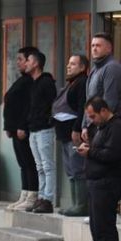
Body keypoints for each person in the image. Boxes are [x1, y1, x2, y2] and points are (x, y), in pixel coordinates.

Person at [77, 97, 121, 241]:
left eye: (93, 116)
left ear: (104, 111)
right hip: (95, 182)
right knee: (96, 226)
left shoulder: (116, 126)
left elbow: (112, 154)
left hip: (107, 182)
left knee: (105, 225)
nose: (92, 120)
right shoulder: (100, 127)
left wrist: (90, 152)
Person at [3, 47, 39, 211]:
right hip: (14, 128)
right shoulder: (22, 79)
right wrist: (8, 126)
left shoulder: (30, 82)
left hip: (22, 128)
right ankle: (24, 193)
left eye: (21, 60)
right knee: (22, 162)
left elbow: (28, 106)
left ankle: (32, 195)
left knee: (29, 162)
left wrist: (22, 126)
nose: (18, 63)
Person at [52, 55, 88, 216]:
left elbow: (82, 108)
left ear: (82, 67)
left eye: (73, 64)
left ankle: (81, 205)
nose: (68, 66)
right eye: (68, 63)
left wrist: (77, 129)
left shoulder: (82, 83)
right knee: (70, 169)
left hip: (74, 134)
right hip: (64, 134)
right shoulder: (71, 84)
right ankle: (75, 203)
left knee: (78, 168)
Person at [24, 50, 57, 213]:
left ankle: (48, 199)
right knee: (39, 167)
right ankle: (41, 197)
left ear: (36, 63)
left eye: (28, 60)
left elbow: (53, 104)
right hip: (34, 129)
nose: (26, 63)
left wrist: (47, 119)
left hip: (44, 129)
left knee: (47, 165)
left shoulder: (46, 82)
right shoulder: (33, 83)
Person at [82, 33, 121, 143]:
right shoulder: (95, 69)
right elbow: (88, 100)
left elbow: (110, 102)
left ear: (109, 49)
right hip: (94, 125)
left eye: (98, 46)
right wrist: (85, 125)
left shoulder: (112, 68)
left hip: (105, 127)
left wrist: (99, 128)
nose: (94, 49)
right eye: (92, 45)